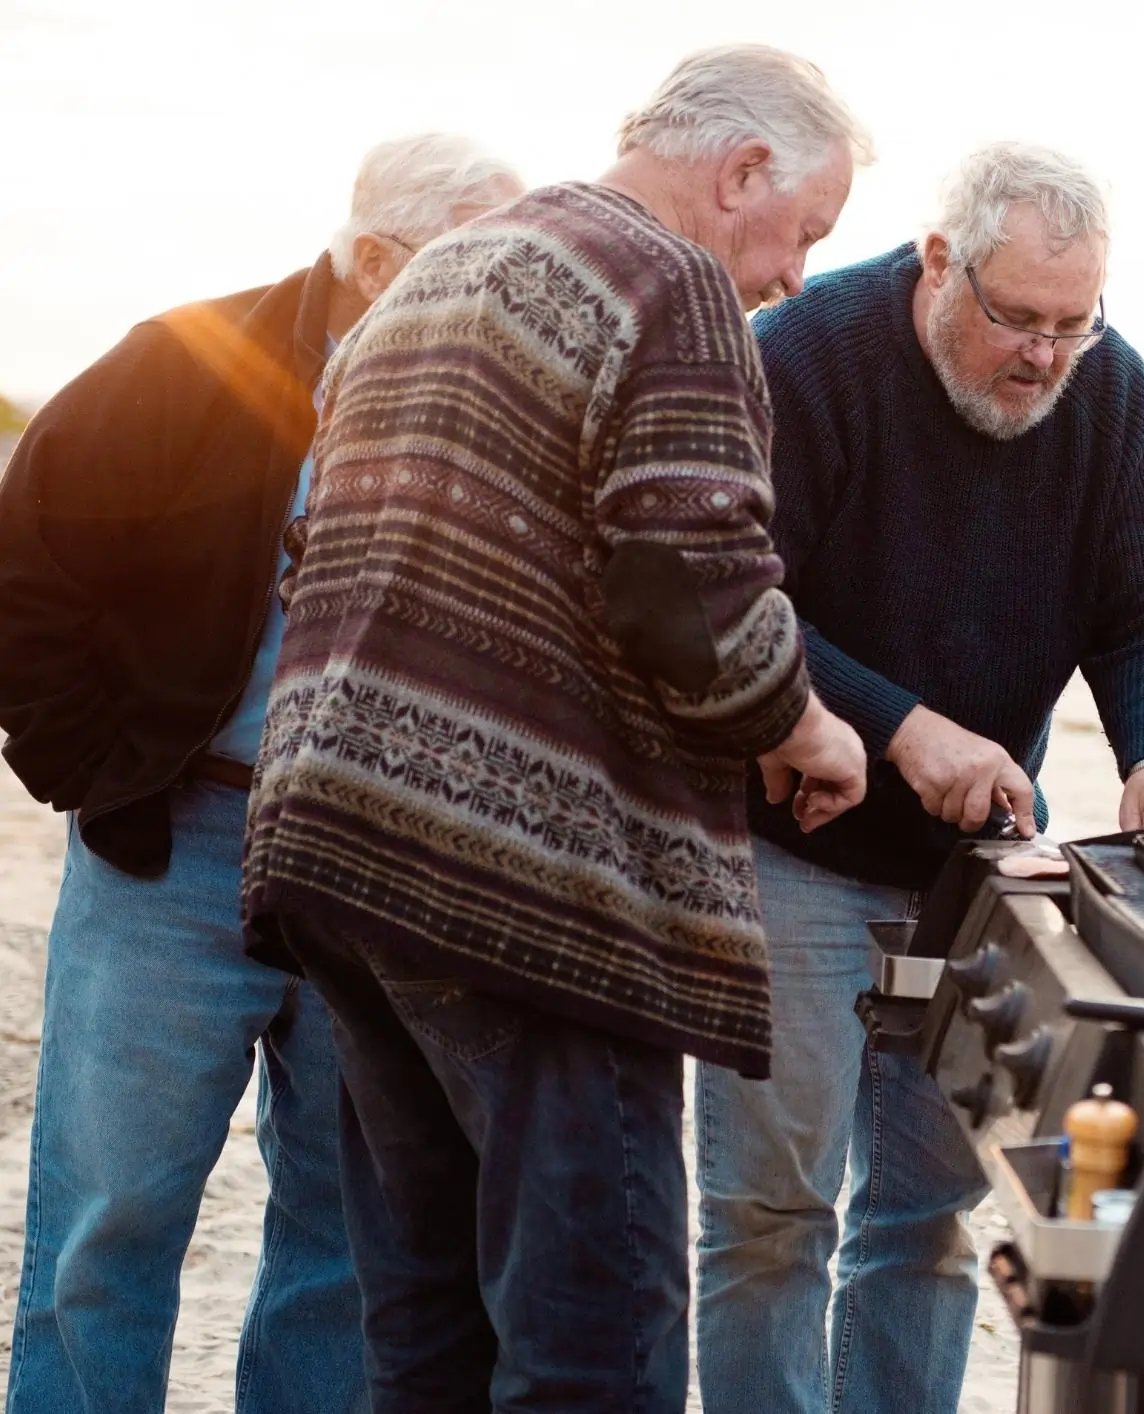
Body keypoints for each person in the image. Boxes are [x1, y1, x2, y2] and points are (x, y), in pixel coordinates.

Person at [239, 46, 872, 1411]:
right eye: (804, 230)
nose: (797, 278)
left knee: (427, 1331)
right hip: (520, 882)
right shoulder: (669, 280)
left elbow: (312, 552)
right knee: (598, 1341)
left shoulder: (438, 274)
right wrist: (802, 722)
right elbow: (690, 583)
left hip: (334, 845)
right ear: (741, 170)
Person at [694, 142, 1144, 1414]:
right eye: (1016, 320)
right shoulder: (805, 358)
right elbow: (728, 588)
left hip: (975, 873)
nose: (1043, 356)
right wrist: (901, 727)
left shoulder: (1109, 394)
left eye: (1071, 324)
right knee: (770, 1214)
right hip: (784, 849)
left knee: (927, 1216)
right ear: (939, 265)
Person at [0, 132, 522, 1414]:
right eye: (470, 265)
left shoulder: (493, 403)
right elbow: (27, 562)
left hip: (372, 873)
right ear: (377, 259)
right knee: (105, 1218)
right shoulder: (183, 360)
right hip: (174, 850)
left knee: (345, 1243)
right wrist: (92, 763)